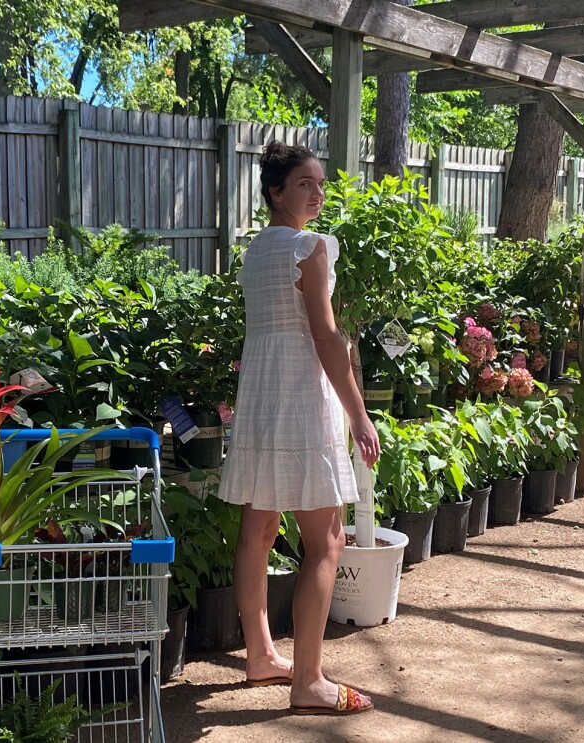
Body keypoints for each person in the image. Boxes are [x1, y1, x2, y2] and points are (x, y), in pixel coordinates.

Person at [216, 141, 380, 716]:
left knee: (257, 532)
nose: (317, 191)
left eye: (320, 182)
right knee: (327, 541)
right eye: (305, 183)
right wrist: (359, 413)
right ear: (275, 192)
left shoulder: (257, 251)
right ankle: (308, 680)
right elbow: (327, 338)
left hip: (262, 394)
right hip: (300, 396)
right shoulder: (310, 248)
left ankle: (261, 654)